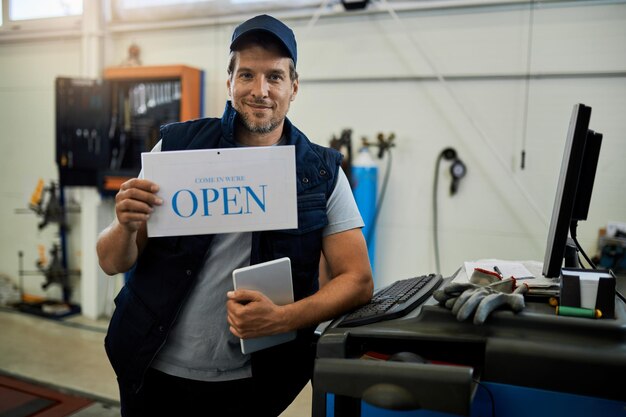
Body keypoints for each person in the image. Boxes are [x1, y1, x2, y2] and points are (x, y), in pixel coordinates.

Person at [96, 14, 373, 417]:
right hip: (152, 369)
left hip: (254, 384)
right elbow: (111, 261)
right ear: (230, 82)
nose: (260, 90)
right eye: (247, 75)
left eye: (275, 77)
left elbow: (358, 280)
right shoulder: (175, 150)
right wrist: (124, 223)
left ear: (293, 87)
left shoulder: (322, 173)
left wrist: (282, 319)